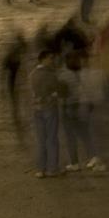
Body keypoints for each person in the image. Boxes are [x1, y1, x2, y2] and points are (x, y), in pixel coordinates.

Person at [29, 46, 67, 177]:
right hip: (49, 109)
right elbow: (59, 90)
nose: (53, 61)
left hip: (36, 109)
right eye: (50, 59)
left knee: (41, 140)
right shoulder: (50, 75)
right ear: (43, 59)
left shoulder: (33, 74)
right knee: (52, 139)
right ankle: (53, 168)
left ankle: (40, 169)